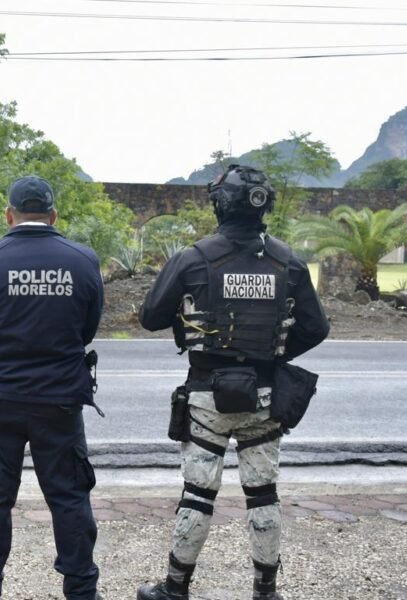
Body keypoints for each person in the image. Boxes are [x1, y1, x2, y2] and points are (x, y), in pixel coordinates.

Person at [136, 165, 330, 600]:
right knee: (264, 494)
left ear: (220, 203)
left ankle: (175, 588)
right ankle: (266, 591)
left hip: (207, 397)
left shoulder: (193, 258)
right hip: (264, 397)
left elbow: (150, 318)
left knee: (198, 494)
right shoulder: (289, 261)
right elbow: (316, 328)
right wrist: (275, 355)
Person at [0, 175, 105, 600]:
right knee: (70, 496)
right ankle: (81, 591)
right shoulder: (83, 260)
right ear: (53, 215)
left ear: (9, 215)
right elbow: (87, 328)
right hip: (60, 400)